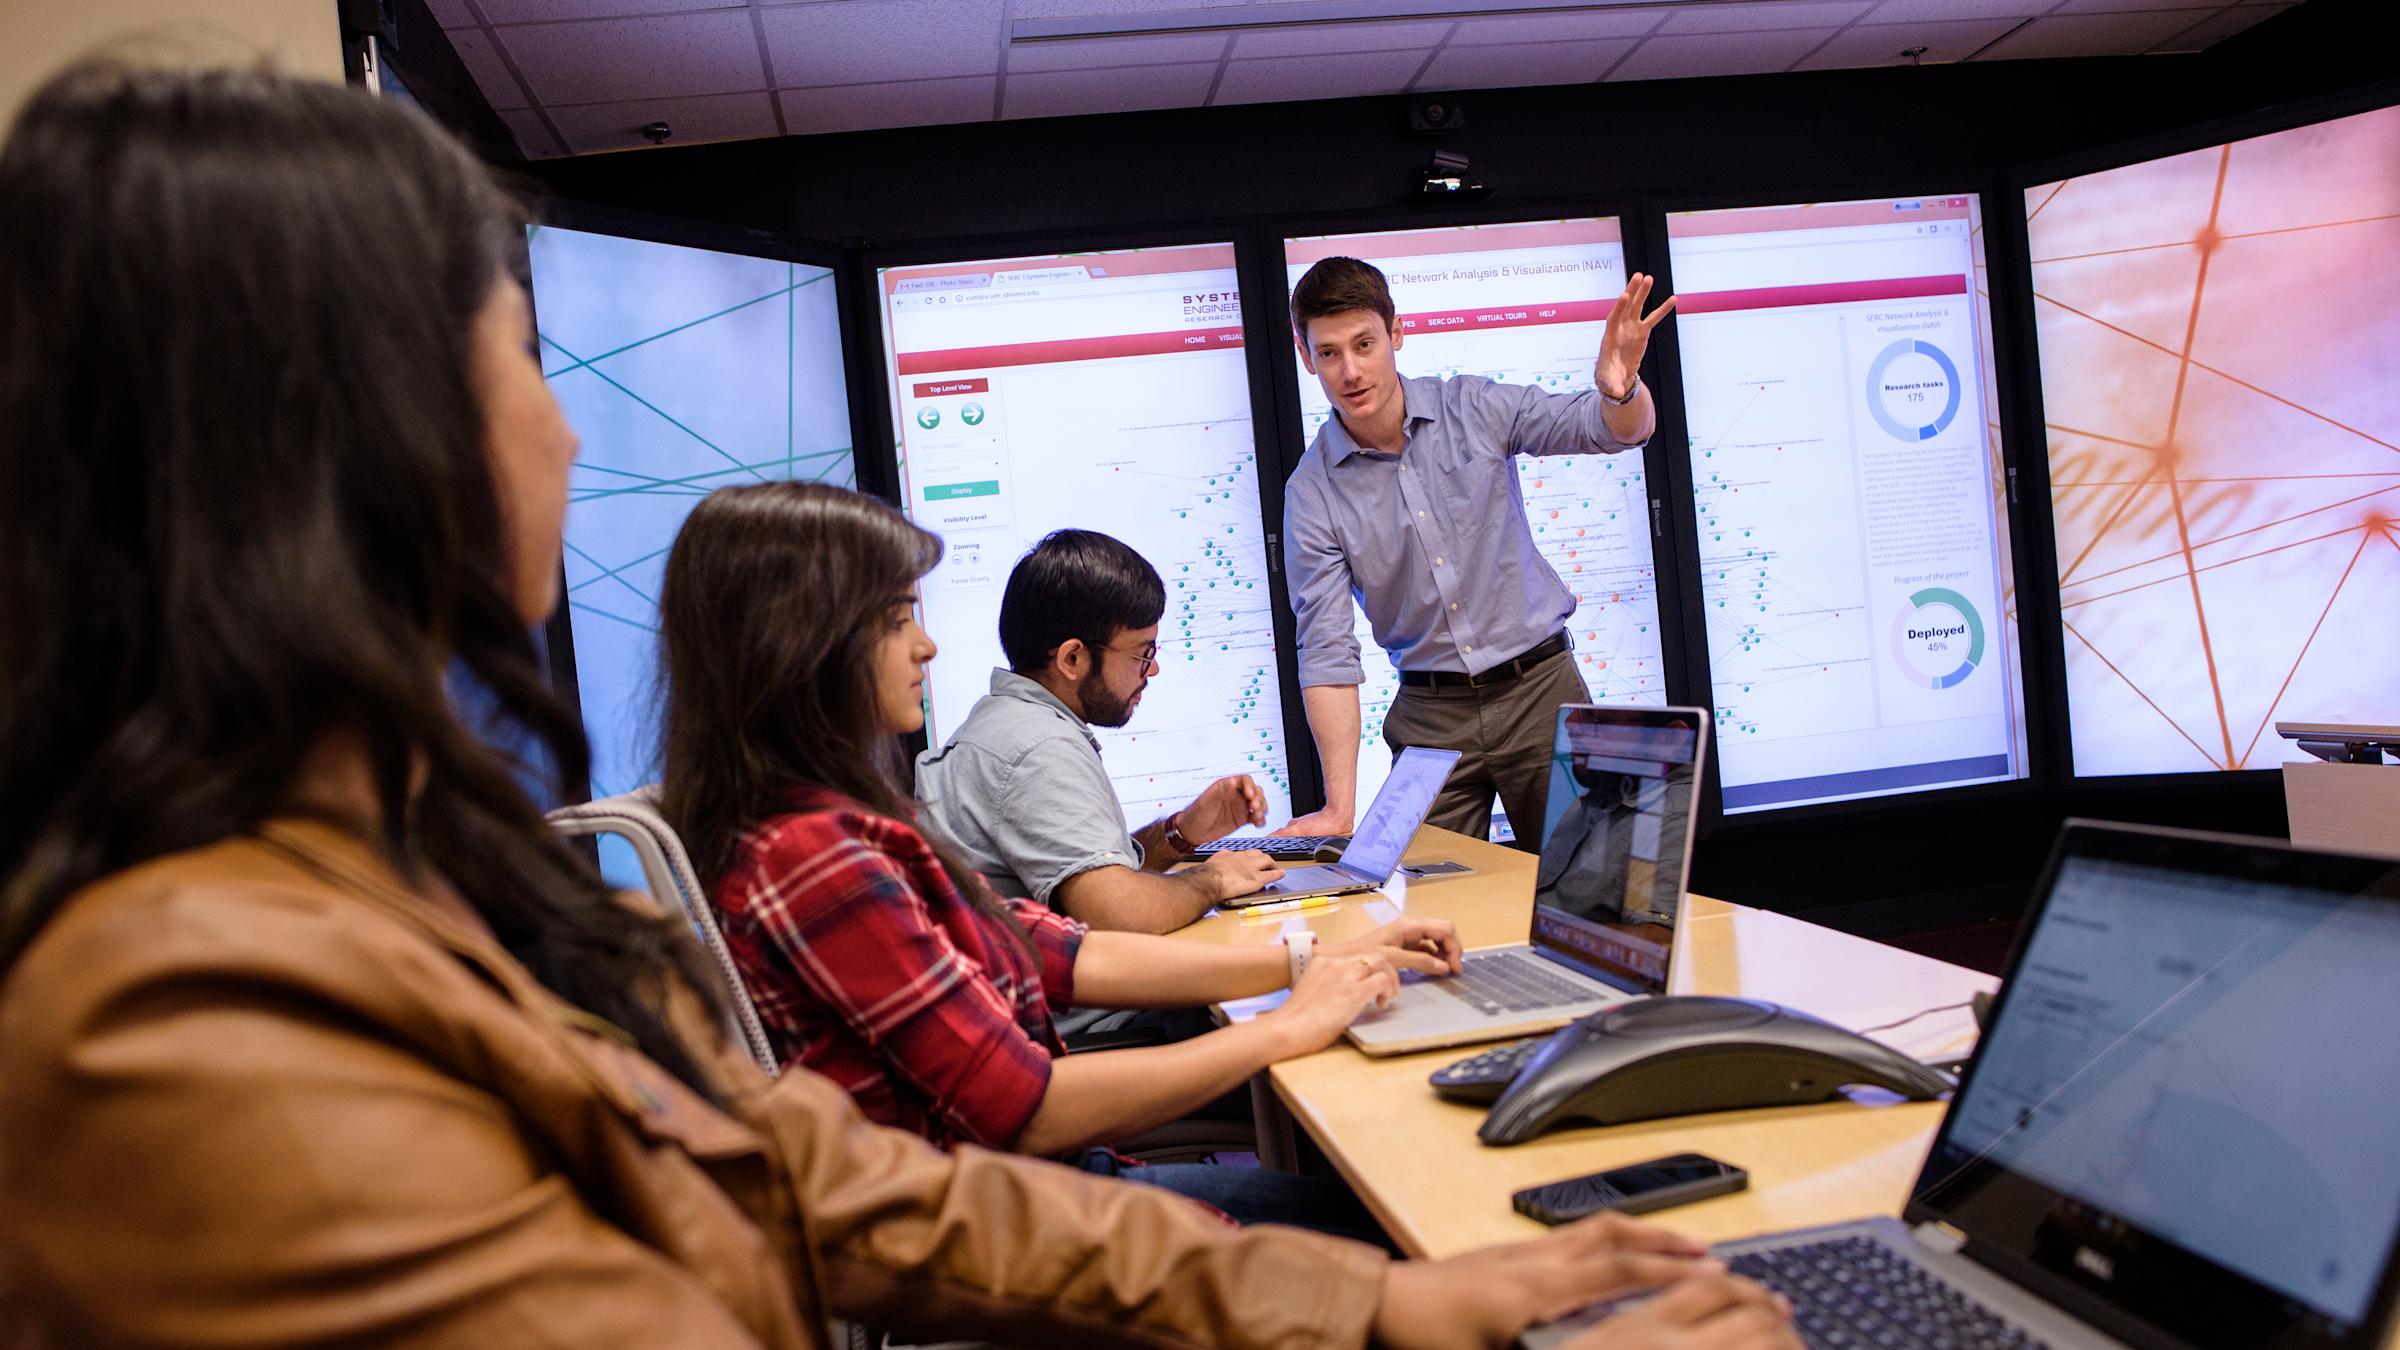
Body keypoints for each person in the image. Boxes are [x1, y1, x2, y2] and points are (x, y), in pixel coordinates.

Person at [0, 61, 1798, 1350]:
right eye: (519, 361)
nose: (556, 429)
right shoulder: (177, 1020)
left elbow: (831, 1187)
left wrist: (1391, 1305)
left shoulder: (380, 881)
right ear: (335, 439)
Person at [659, 483, 1456, 1242]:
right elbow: (1024, 1106)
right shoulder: (816, 857)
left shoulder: (850, 822)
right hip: (1004, 1215)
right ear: (806, 646)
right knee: (1394, 1224)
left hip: (1018, 1183)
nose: (927, 644)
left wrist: (1311, 958)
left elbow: (1059, 950)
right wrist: (1286, 1026)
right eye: (897, 619)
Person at [1279, 256, 1676, 846]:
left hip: (1541, 690)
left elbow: (1610, 429)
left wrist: (1621, 393)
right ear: (1306, 356)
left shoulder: (1474, 407)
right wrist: (1340, 807)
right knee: (1425, 908)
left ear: (1396, 334)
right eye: (1329, 353)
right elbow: (1327, 649)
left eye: (1364, 344)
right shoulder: (1311, 492)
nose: (1351, 370)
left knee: (1595, 889)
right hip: (1429, 714)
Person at [917, 528, 1283, 935]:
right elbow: (1117, 914)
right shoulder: (1039, 748)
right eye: (1143, 654)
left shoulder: (1002, 724)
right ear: (1073, 658)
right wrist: (1216, 879)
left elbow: (1096, 879)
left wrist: (1182, 832)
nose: (1154, 669)